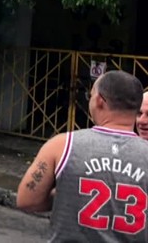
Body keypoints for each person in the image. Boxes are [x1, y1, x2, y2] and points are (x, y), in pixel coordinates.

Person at [17, 70, 148, 241]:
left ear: (100, 100)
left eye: (90, 95)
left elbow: (27, 200)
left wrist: (67, 195)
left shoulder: (62, 145)